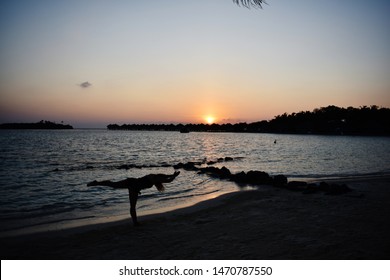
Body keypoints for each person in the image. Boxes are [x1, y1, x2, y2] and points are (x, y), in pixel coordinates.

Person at [87, 171, 180, 226]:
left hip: (134, 188)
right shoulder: (154, 178)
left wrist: (172, 175)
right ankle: (96, 182)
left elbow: (166, 177)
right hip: (130, 183)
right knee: (113, 185)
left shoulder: (154, 177)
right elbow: (168, 180)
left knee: (132, 206)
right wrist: (174, 176)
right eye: (161, 179)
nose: (161, 181)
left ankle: (135, 223)